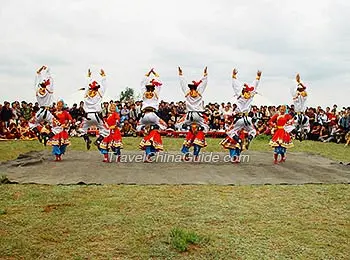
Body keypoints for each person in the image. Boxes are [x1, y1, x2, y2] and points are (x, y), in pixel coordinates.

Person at [225, 68, 262, 154]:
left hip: (239, 119)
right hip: (247, 119)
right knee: (253, 131)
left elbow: (235, 86)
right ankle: (248, 139)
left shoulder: (239, 95)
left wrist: (233, 76)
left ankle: (239, 141)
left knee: (230, 132)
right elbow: (255, 86)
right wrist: (258, 77)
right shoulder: (251, 95)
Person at [177, 66, 208, 161]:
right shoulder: (199, 92)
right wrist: (205, 75)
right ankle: (196, 155)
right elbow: (204, 84)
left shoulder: (187, 92)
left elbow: (183, 85)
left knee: (183, 126)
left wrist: (181, 75)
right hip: (198, 115)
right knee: (203, 129)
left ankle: (185, 152)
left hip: (189, 116)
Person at [137, 68, 167, 162]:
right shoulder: (156, 93)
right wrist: (155, 74)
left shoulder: (143, 93)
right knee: (164, 126)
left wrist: (148, 74)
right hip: (153, 116)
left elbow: (142, 82)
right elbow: (159, 84)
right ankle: (156, 137)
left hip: (144, 116)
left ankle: (143, 129)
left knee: (143, 130)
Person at [29, 66, 62, 145]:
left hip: (39, 112)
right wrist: (47, 70)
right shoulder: (49, 89)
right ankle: (48, 137)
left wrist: (40, 71)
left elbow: (37, 79)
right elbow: (50, 78)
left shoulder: (37, 89)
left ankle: (37, 133)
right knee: (58, 127)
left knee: (31, 123)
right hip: (47, 113)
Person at [79, 69, 110, 150]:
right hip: (96, 116)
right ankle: (98, 141)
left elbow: (86, 85)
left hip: (87, 116)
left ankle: (87, 139)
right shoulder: (100, 93)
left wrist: (88, 76)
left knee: (81, 129)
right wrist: (103, 76)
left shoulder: (86, 93)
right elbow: (104, 86)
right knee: (106, 130)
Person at [291, 74, 310, 140]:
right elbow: (295, 91)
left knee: (306, 124)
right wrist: (297, 83)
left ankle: (303, 133)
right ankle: (297, 133)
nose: (300, 90)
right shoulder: (295, 95)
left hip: (303, 114)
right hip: (297, 114)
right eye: (299, 89)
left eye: (300, 89)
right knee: (292, 125)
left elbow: (304, 88)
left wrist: (299, 82)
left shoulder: (304, 96)